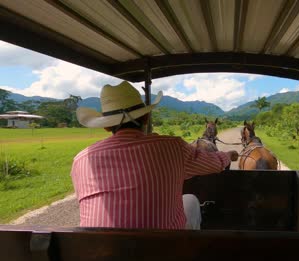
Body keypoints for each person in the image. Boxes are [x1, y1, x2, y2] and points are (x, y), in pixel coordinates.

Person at [71, 81, 238, 230]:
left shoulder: (80, 161)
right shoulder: (173, 147)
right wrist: (228, 155)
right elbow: (213, 163)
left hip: (97, 254)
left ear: (106, 127)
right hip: (162, 252)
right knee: (191, 200)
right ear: (146, 117)